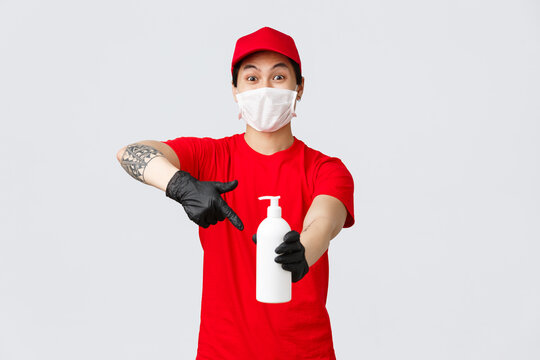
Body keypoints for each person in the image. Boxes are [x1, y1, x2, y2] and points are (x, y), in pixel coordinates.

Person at [116, 26, 355, 360]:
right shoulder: (210, 157)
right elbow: (130, 153)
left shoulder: (325, 169)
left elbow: (325, 220)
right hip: (222, 352)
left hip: (306, 352)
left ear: (300, 87)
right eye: (252, 78)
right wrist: (180, 185)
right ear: (235, 89)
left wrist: (304, 248)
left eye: (279, 77)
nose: (266, 89)